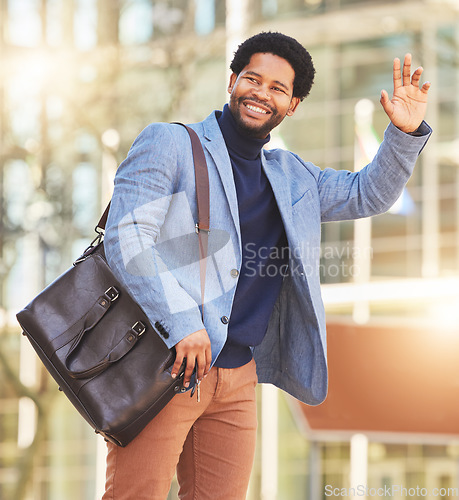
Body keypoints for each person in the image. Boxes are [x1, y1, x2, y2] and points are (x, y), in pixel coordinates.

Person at [102, 32, 431, 499]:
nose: (262, 93)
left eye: (278, 88)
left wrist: (403, 133)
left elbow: (367, 192)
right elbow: (126, 239)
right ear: (232, 80)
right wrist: (181, 323)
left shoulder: (292, 175)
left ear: (292, 105)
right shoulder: (170, 143)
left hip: (237, 379)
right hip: (166, 363)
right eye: (252, 79)